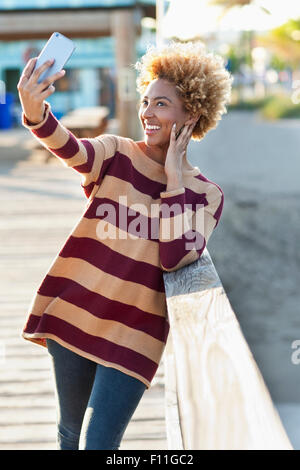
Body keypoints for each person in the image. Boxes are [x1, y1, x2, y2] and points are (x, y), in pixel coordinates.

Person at [17, 40, 233, 450]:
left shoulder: (206, 196)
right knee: (68, 433)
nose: (147, 113)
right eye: (146, 100)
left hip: (136, 335)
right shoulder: (117, 153)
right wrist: (34, 112)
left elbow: (173, 258)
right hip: (77, 310)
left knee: (100, 444)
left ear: (192, 115)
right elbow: (72, 149)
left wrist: (173, 181)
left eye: (162, 105)